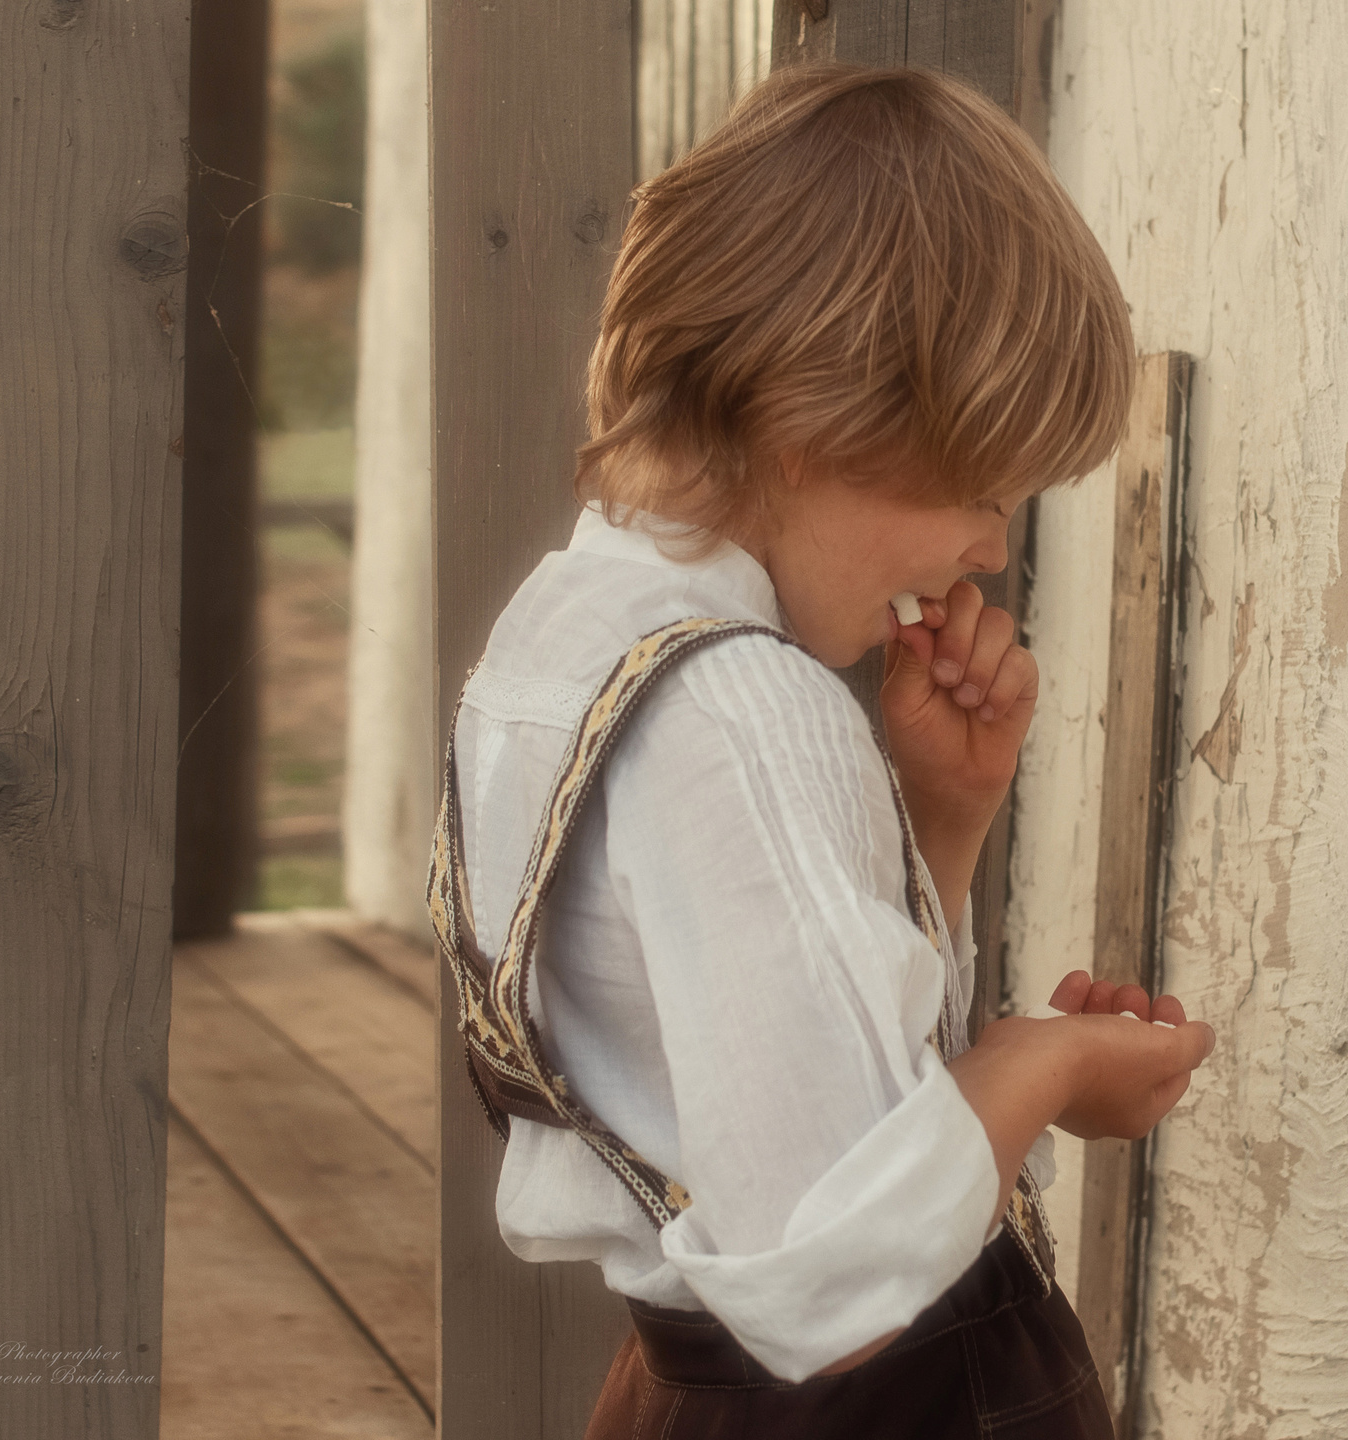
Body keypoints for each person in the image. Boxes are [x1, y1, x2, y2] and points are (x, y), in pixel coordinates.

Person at [426, 61, 1215, 1439]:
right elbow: (836, 1275)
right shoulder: (750, 708)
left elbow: (770, 1081)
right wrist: (1047, 1064)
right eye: (978, 485)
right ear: (815, 419)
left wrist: (940, 815)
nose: (990, 546)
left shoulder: (556, 650)